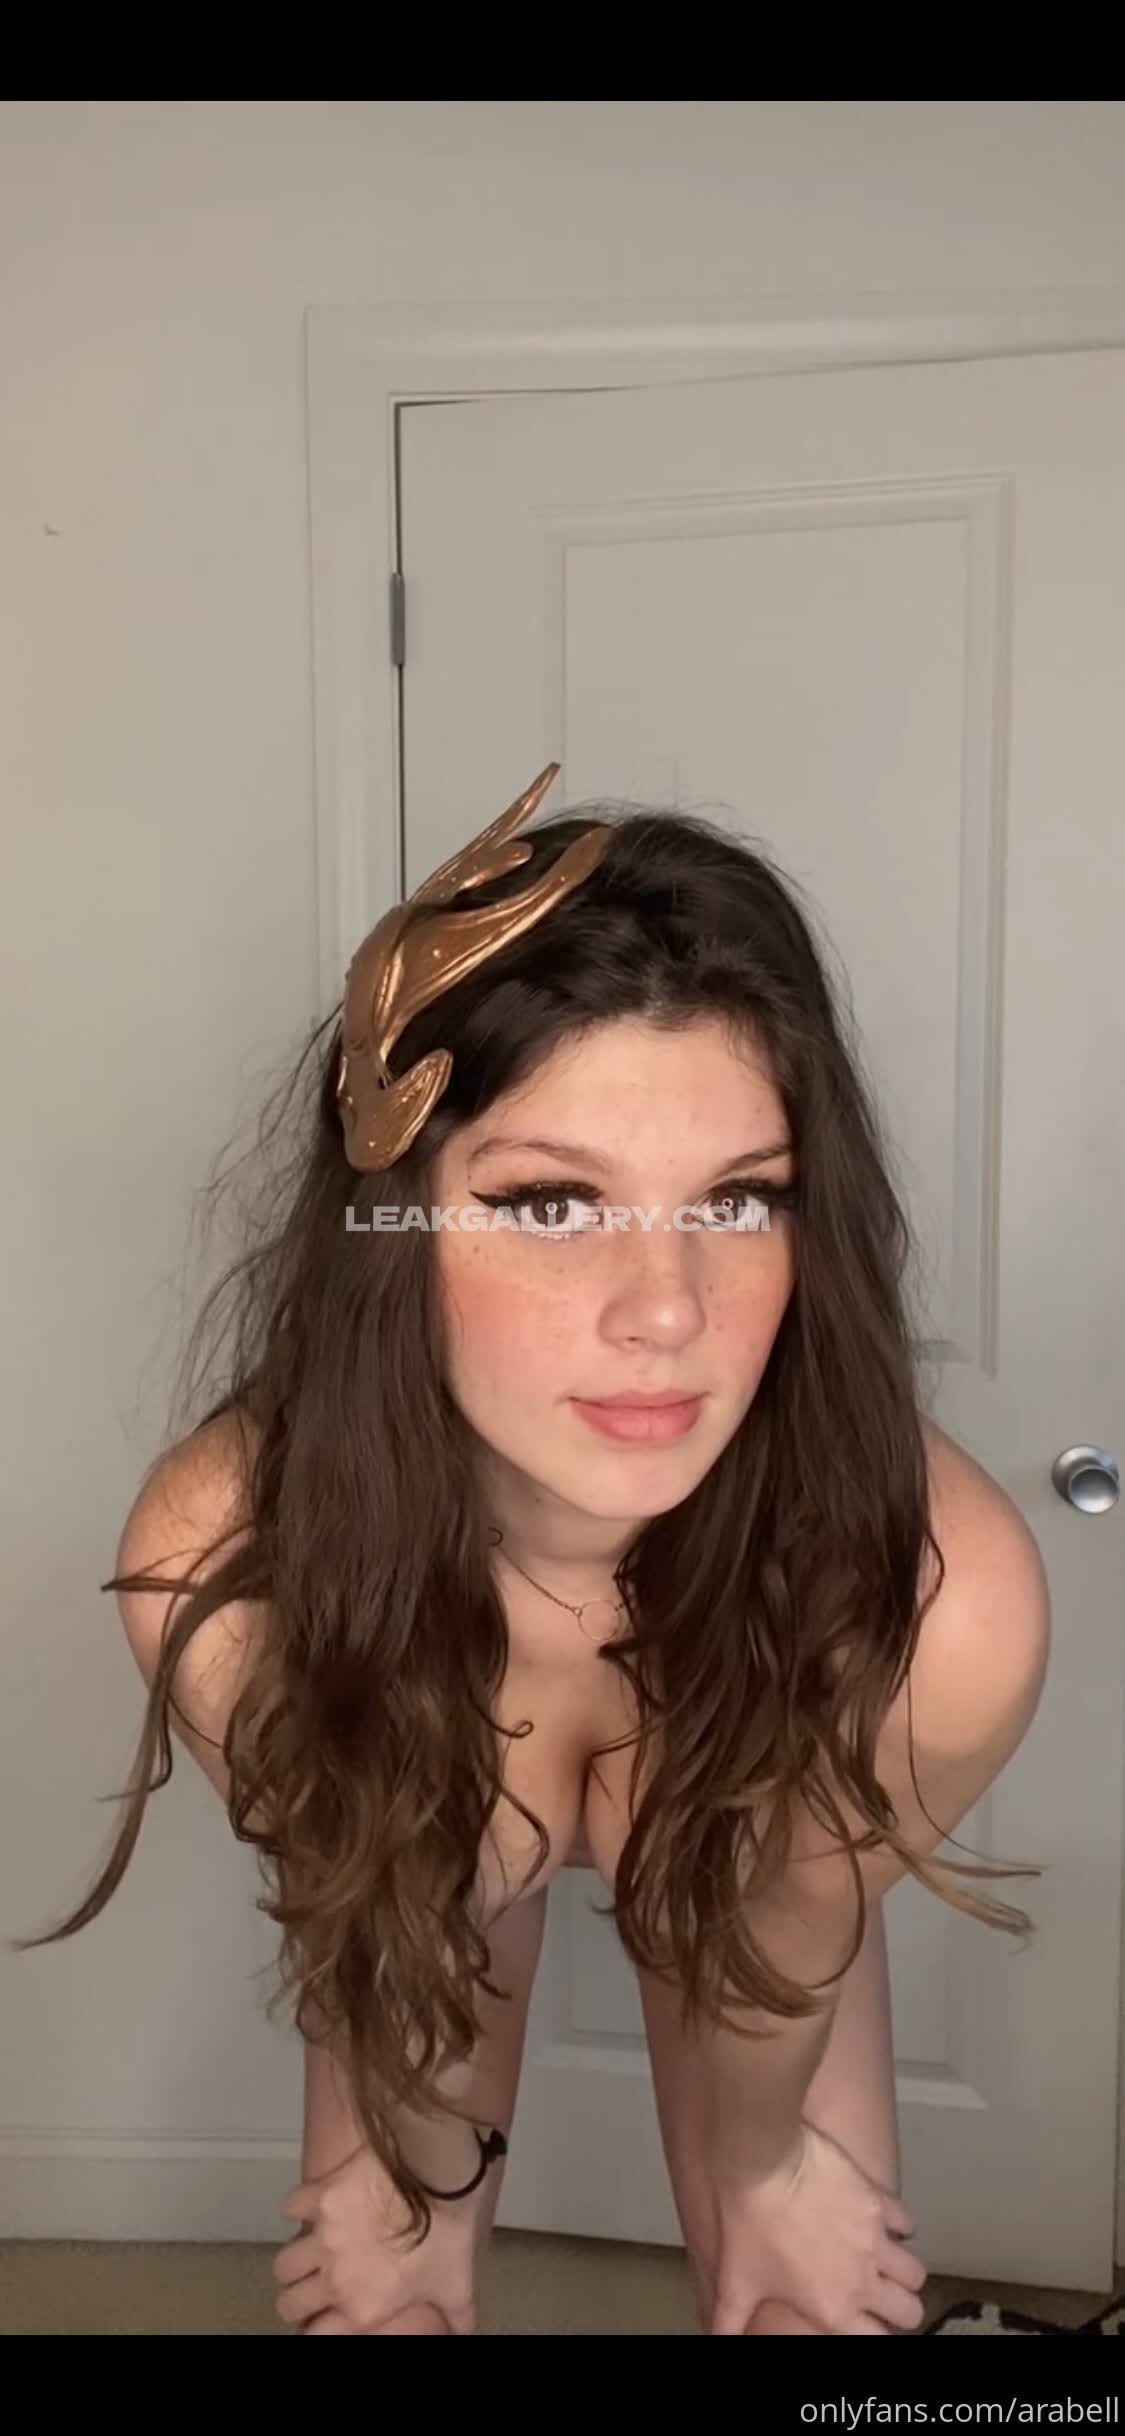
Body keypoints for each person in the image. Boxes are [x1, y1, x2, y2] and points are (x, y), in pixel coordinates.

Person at [17, 766, 1050, 2336]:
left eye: (737, 1201)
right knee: (386, 2284)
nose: (665, 1311)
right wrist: (411, 2174)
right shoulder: (225, 1565)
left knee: (807, 2304)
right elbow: (391, 1903)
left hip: (769, 1804)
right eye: (554, 1204)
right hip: (410, 1817)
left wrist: (765, 2167)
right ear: (396, 1227)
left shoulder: (934, 1601)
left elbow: (772, 1947)